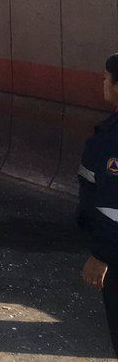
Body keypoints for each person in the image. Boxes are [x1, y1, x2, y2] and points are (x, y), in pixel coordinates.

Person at [76, 53, 118, 357]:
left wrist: (101, 255)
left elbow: (111, 204)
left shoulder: (111, 139)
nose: (101, 82)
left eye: (106, 77)